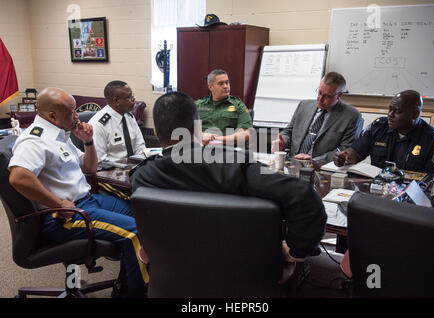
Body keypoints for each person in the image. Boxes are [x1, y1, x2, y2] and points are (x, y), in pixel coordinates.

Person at [130, 92, 327, 262]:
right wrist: (295, 250)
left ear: (155, 133)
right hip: (243, 270)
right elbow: (304, 196)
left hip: (173, 272)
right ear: (199, 128)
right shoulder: (236, 165)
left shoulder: (141, 177)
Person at [8, 87, 148, 297]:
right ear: (52, 115)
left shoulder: (59, 135)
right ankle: (135, 294)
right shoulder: (35, 140)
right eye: (72, 112)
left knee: (145, 218)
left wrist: (88, 141)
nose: (77, 116)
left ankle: (125, 284)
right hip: (63, 216)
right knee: (135, 234)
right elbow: (18, 177)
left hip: (88, 201)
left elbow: (90, 168)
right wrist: (57, 203)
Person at [334, 90, 434, 173]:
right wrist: (344, 157)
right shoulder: (379, 127)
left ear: (415, 114)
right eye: (390, 109)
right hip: (375, 190)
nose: (390, 115)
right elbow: (355, 152)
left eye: (397, 111)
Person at [272, 72, 362, 162]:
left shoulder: (351, 116)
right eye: (319, 92)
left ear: (339, 95)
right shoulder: (304, 105)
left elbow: (345, 150)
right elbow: (288, 132)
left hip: (320, 168)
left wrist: (314, 160)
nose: (320, 99)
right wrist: (282, 141)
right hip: (291, 162)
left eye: (327, 96)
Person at [89, 80, 145, 163]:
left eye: (132, 96)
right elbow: (100, 160)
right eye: (129, 97)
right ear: (116, 101)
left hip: (134, 167)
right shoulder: (98, 124)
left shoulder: (129, 116)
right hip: (113, 171)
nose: (133, 100)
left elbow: (140, 146)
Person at [196, 69, 253, 145]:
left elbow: (245, 133)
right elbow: (185, 127)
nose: (225, 86)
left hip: (226, 149)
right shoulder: (198, 105)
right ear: (210, 87)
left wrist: (215, 139)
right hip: (200, 148)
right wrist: (202, 135)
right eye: (221, 83)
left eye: (227, 82)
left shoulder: (238, 105)